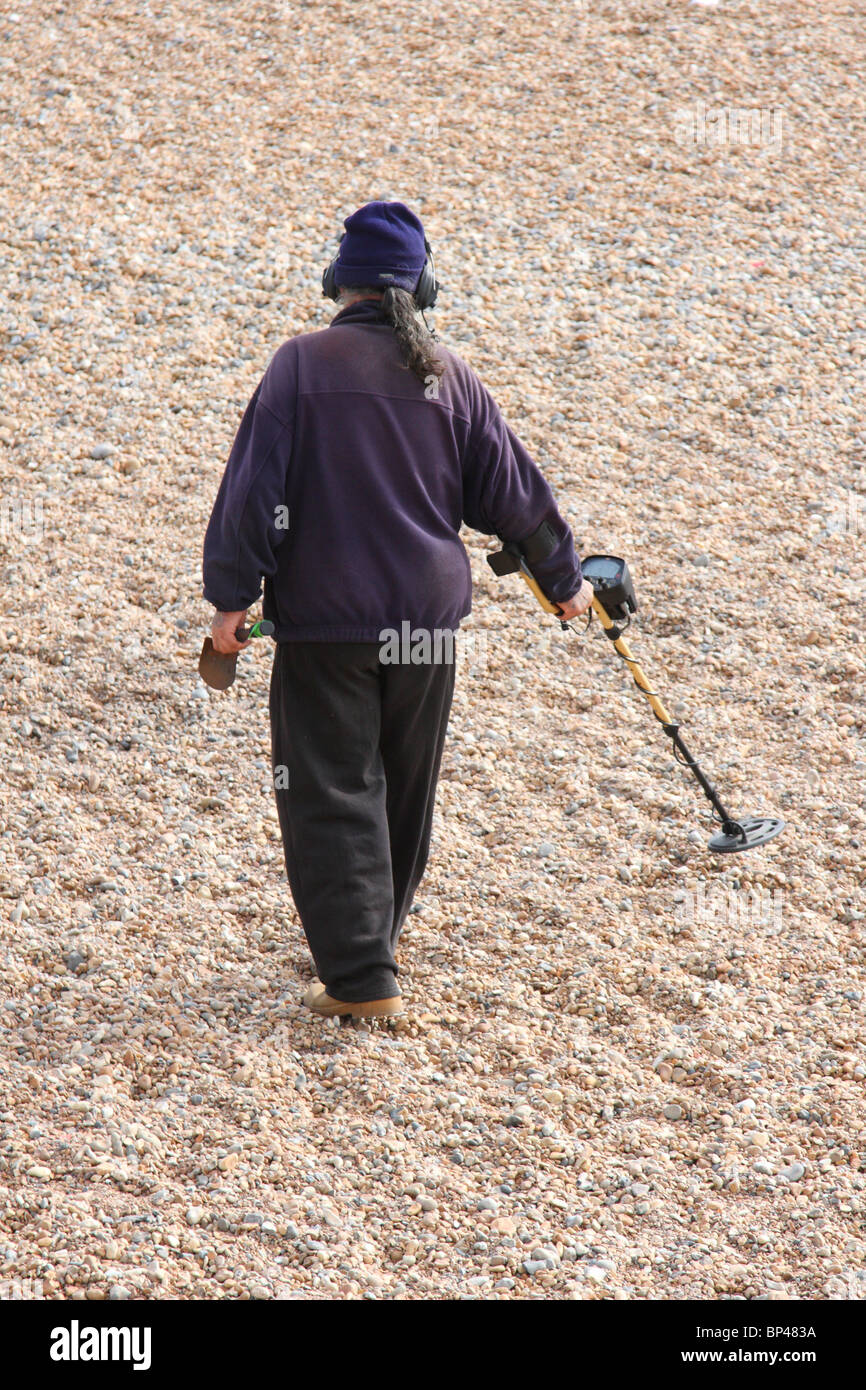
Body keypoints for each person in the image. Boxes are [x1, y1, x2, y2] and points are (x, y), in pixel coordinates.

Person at [202, 200, 593, 1020]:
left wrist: (231, 600)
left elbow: (250, 496)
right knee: (404, 781)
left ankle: (359, 976)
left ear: (337, 283)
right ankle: (375, 934)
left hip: (327, 624)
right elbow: (517, 497)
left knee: (329, 783)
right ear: (424, 289)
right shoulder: (453, 377)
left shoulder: (299, 367)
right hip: (427, 625)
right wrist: (565, 582)